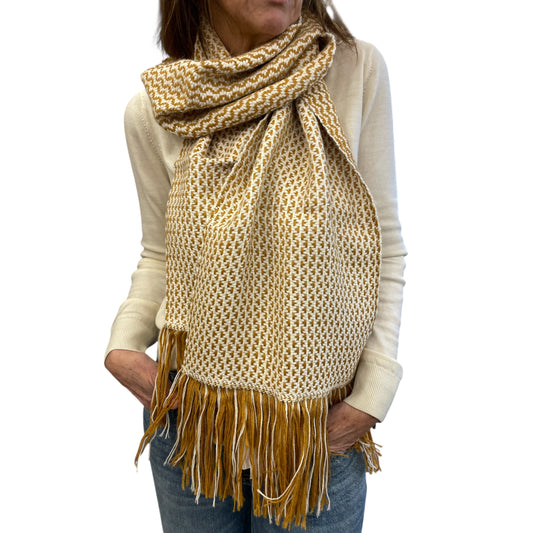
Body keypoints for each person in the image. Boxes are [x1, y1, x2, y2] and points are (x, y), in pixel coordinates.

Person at [105, 0, 406, 531]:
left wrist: (372, 396)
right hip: (191, 425)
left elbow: (383, 245)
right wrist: (124, 345)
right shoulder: (159, 108)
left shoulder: (352, 70)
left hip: (313, 432)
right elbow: (161, 254)